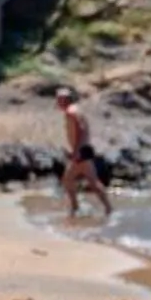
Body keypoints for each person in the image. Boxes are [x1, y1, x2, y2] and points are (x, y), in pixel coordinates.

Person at [57, 88, 112, 220]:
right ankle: (108, 208)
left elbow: (81, 130)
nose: (58, 102)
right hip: (84, 149)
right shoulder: (75, 110)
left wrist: (76, 151)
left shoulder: (71, 112)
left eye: (60, 99)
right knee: (92, 181)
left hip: (81, 151)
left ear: (65, 100)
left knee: (68, 179)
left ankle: (75, 209)